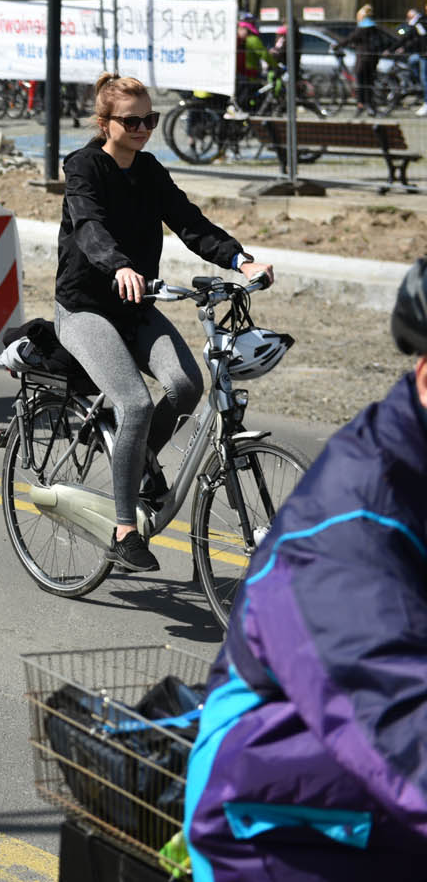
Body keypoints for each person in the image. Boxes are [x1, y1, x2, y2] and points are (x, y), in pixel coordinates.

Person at [183, 258, 427, 881]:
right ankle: (131, 511)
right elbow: (400, 728)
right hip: (286, 839)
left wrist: (240, 262)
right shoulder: (347, 533)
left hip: (376, 817)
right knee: (144, 399)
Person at [55, 73, 273, 572]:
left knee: (185, 384)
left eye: (149, 119)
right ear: (104, 122)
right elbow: (89, 225)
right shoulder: (85, 166)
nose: (143, 128)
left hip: (135, 307)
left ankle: (136, 460)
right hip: (85, 307)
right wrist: (119, 265)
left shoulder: (149, 169)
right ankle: (125, 527)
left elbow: (189, 222)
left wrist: (240, 260)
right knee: (132, 402)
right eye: (131, 121)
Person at [336, 4, 391, 115]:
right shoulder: (374, 27)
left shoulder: (362, 28)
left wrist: (337, 46)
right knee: (369, 82)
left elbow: (350, 38)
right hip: (374, 58)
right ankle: (370, 105)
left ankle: (362, 104)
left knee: (361, 82)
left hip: (363, 59)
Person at [390, 5, 427, 115]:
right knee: (412, 61)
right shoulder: (420, 22)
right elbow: (410, 37)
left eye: (409, 17)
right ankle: (417, 86)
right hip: (421, 54)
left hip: (424, 55)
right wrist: (397, 48)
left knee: (424, 78)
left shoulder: (421, 22)